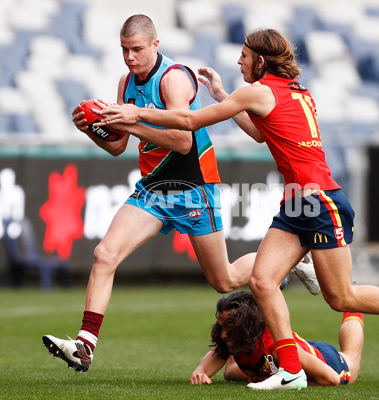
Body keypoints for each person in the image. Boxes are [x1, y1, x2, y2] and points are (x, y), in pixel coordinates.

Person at [94, 27, 379, 390]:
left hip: (320, 200)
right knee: (262, 281)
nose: (239, 60)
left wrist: (134, 113)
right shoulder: (291, 91)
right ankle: (291, 370)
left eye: (244, 56)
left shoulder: (258, 91)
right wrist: (223, 95)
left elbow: (189, 121)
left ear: (260, 61)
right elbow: (262, 133)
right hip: (297, 199)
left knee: (342, 298)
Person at [41, 15, 318, 373]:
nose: (129, 57)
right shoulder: (126, 81)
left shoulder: (173, 78)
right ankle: (84, 346)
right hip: (153, 189)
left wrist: (131, 120)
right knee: (104, 254)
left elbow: (183, 140)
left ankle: (294, 262)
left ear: (155, 45)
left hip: (193, 187)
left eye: (137, 49)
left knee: (224, 280)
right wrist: (93, 130)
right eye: (124, 50)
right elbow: (118, 145)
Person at [190, 291, 364, 387]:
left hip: (327, 363)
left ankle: (355, 305)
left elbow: (331, 379)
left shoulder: (275, 349)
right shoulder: (235, 341)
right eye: (221, 327)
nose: (222, 335)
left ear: (248, 327)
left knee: (352, 358)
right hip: (300, 349)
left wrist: (269, 380)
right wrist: (200, 371)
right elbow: (217, 353)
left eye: (229, 329)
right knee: (229, 373)